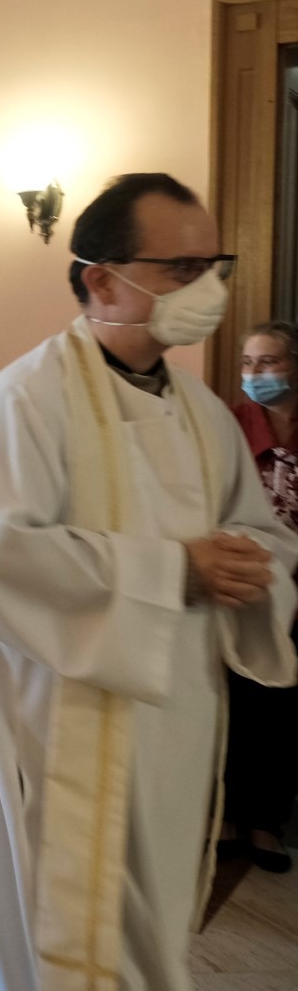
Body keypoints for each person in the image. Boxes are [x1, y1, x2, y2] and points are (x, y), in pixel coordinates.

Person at [0, 173, 298, 991]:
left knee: (152, 924)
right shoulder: (27, 400)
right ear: (101, 280)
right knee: (65, 938)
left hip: (178, 714)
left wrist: (250, 562)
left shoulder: (202, 411)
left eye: (215, 267)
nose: (207, 289)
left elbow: (260, 531)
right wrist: (176, 569)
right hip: (58, 718)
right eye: (183, 269)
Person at [226, 321, 298, 873]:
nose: (256, 374)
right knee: (236, 697)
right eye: (249, 363)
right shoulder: (229, 425)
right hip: (243, 575)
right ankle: (226, 814)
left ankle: (266, 821)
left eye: (268, 362)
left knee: (286, 703)